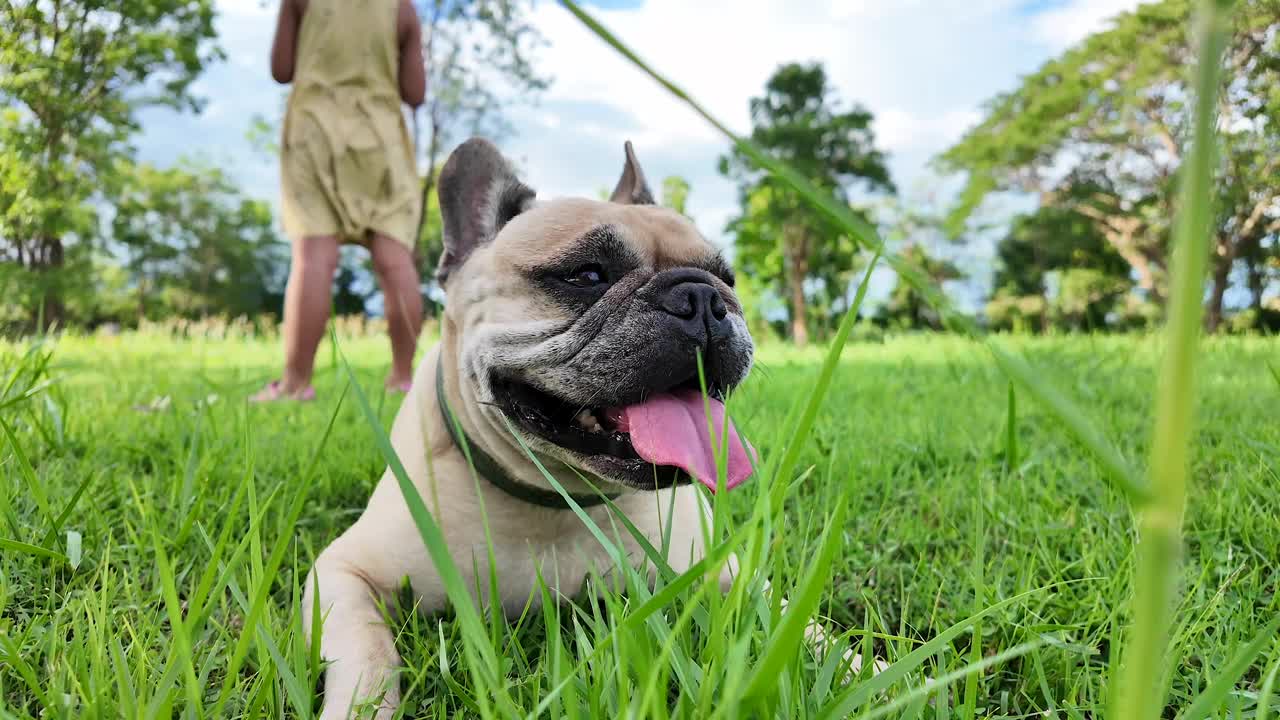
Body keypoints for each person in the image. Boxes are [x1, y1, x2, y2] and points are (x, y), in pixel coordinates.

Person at [253, 0, 427, 402]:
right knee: (394, 260)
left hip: (316, 130)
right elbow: (415, 93)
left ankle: (295, 383)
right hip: (381, 138)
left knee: (314, 258)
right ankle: (403, 378)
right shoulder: (402, 7)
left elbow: (282, 70)